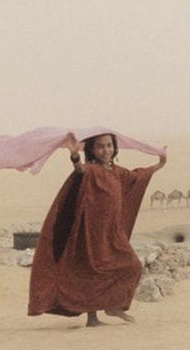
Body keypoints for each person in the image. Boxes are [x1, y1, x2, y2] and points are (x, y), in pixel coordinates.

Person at [27, 132, 166, 327]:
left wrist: (159, 164)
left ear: (114, 148)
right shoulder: (91, 170)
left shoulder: (117, 172)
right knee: (91, 272)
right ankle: (93, 319)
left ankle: (113, 305)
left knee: (132, 266)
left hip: (112, 233)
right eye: (100, 146)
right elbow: (79, 169)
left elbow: (137, 176)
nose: (105, 150)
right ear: (92, 149)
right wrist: (74, 155)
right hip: (90, 233)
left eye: (109, 146)